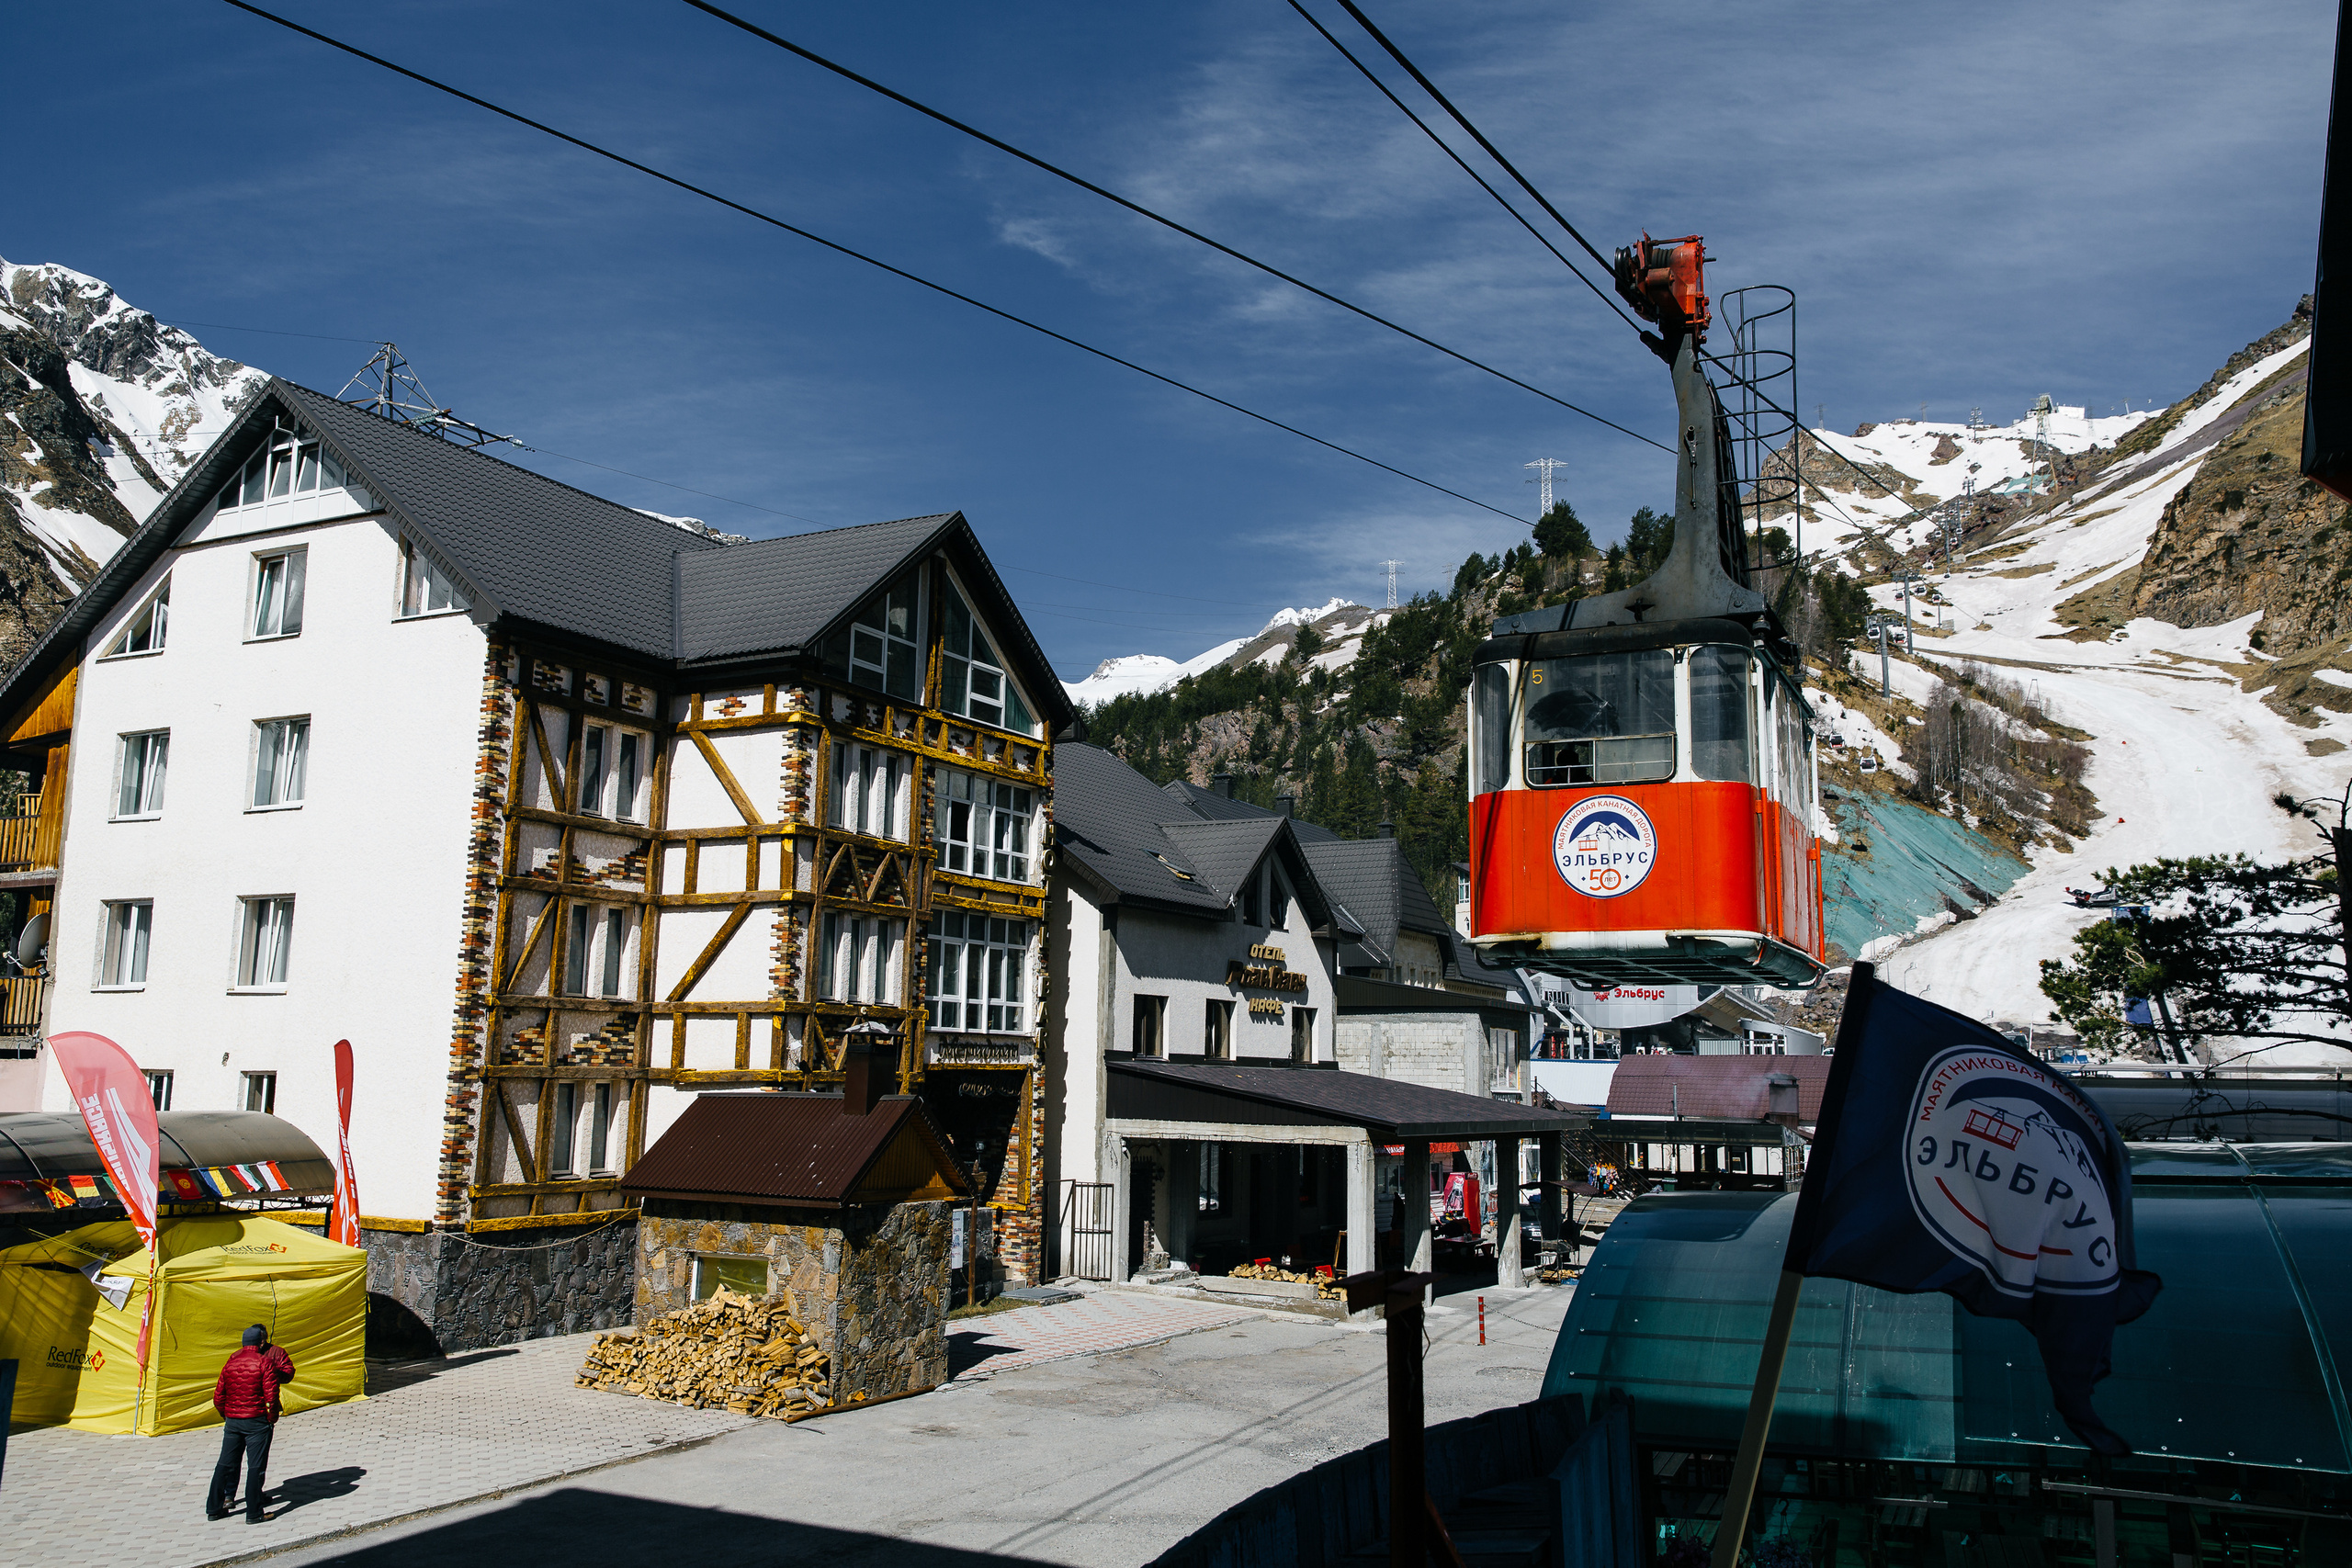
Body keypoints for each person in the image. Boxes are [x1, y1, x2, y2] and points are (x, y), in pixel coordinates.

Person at [209, 1324, 288, 1523]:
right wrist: (271, 1418)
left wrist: (226, 1415)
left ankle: (214, 1509)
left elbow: (219, 1396)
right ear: (260, 1342)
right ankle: (254, 1512)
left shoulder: (231, 1361)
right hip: (257, 1422)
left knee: (224, 1465)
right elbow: (271, 1395)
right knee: (255, 1467)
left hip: (233, 1421)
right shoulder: (265, 1362)